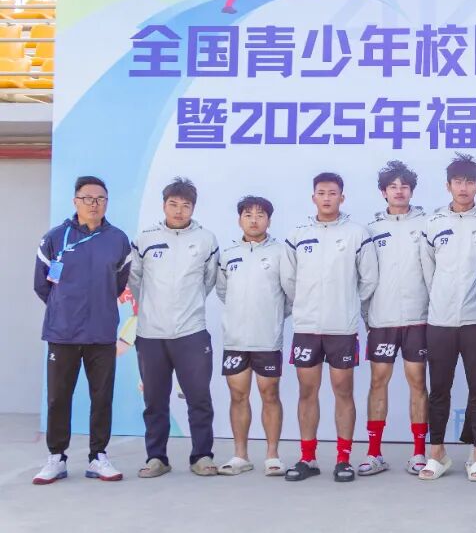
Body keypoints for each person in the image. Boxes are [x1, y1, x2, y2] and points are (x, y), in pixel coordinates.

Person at [32, 176, 132, 484]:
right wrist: (64, 309)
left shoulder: (118, 239)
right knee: (58, 398)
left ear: (107, 203)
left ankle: (98, 456)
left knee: (102, 397)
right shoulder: (55, 238)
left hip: (101, 333)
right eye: (88, 198)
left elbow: (119, 283)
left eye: (100, 199)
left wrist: (97, 309)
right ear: (75, 201)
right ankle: (57, 457)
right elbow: (42, 284)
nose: (94, 204)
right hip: (62, 333)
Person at [284, 172, 379, 483]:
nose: (327, 198)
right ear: (313, 197)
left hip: (342, 329)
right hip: (306, 328)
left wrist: (346, 304)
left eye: (333, 193)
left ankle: (343, 459)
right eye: (321, 193)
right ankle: (307, 458)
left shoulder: (356, 233)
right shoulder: (298, 234)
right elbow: (289, 280)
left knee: (343, 391)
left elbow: (368, 280)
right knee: (307, 391)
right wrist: (306, 306)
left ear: (342, 197)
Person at [419, 154, 476, 481]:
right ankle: (437, 454)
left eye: (470, 182)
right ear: (448, 185)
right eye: (458, 181)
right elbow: (428, 272)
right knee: (438, 389)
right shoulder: (433, 223)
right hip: (440, 321)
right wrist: (439, 302)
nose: (464, 187)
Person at [129, 177, 220, 478]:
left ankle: (202, 456)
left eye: (185, 205)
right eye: (173, 204)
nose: (179, 211)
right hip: (150, 334)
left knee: (199, 398)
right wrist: (153, 310)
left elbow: (208, 281)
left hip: (192, 332)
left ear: (193, 208)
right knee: (154, 401)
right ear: (163, 205)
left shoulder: (206, 240)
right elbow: (135, 280)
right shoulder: (145, 239)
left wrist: (187, 306)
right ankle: (156, 457)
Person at [360, 161, 430, 476]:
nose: (399, 191)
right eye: (393, 186)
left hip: (418, 318)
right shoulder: (370, 230)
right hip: (382, 320)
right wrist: (367, 315)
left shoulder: (427, 224)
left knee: (418, 382)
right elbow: (364, 277)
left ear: (412, 191)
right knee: (378, 381)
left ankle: (419, 453)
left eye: (404, 186)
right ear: (383, 192)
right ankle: (374, 452)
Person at [216, 195, 292, 477]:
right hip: (235, 339)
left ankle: (272, 455)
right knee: (238, 395)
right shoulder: (228, 254)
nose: (254, 220)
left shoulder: (281, 252)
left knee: (270, 394)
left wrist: (272, 316)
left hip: (267, 339)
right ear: (239, 220)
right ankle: (240, 455)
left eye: (260, 215)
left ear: (269, 220)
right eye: (248, 215)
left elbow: (290, 294)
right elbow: (223, 291)